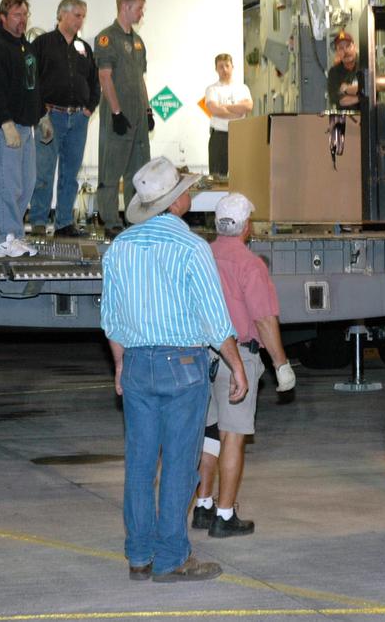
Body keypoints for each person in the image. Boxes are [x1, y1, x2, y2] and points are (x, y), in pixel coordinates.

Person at [101, 156, 247, 583]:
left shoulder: (121, 248)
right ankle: (171, 558)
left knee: (141, 466)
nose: (190, 195)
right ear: (177, 202)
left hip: (138, 363)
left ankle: (139, 555)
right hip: (183, 365)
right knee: (181, 465)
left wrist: (120, 364)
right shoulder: (191, 248)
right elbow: (215, 320)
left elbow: (111, 319)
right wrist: (236, 366)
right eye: (187, 190)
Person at [192, 193, 296, 538]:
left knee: (208, 434)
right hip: (236, 358)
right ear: (246, 227)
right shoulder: (250, 265)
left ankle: (203, 505)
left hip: (200, 356)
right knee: (233, 436)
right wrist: (281, 364)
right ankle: (225, 515)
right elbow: (264, 320)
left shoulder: (201, 255)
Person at [30, 0, 99, 237]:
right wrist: (41, 114)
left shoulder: (83, 48)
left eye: (83, 15)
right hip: (50, 117)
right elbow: (32, 82)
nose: (81, 20)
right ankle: (38, 221)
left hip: (78, 119)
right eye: (77, 15)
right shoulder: (42, 43)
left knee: (70, 175)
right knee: (44, 172)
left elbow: (94, 81)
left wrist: (89, 109)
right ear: (62, 15)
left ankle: (64, 223)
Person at [0, 0, 40, 258]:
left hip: (27, 125)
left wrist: (43, 115)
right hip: (5, 125)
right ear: (3, 17)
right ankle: (5, 238)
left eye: (25, 14)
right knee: (8, 182)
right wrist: (5, 122)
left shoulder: (25, 47)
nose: (22, 20)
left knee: (27, 182)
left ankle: (16, 234)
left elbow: (33, 85)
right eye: (17, 15)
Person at [94, 0, 154, 237]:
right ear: (125, 8)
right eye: (139, 8)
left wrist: (148, 109)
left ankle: (134, 218)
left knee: (138, 172)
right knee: (111, 170)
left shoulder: (138, 41)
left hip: (138, 116)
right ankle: (110, 221)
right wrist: (117, 113)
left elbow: (140, 79)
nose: (142, 13)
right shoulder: (107, 38)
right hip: (118, 116)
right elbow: (104, 77)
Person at [203, 54, 252, 179]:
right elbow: (214, 109)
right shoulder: (212, 89)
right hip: (219, 137)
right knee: (217, 177)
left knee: (241, 176)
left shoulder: (242, 88)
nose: (224, 69)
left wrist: (224, 107)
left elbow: (248, 107)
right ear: (216, 69)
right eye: (220, 67)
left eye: (227, 66)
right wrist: (237, 111)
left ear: (232, 67)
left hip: (239, 136)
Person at [326, 30, 364, 110]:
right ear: (337, 52)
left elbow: (373, 90)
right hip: (344, 120)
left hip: (368, 117)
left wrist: (346, 89)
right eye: (341, 48)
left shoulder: (367, 65)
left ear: (355, 47)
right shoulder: (333, 73)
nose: (346, 51)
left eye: (348, 46)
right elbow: (340, 100)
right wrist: (363, 97)